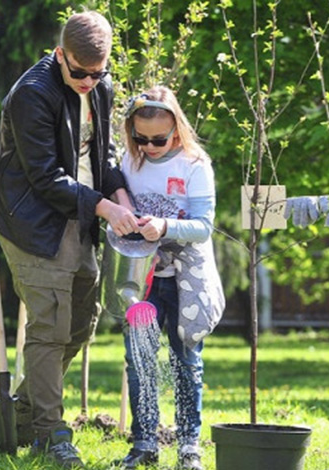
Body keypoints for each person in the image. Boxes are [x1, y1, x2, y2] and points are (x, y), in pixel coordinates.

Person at [0, 11, 138, 469]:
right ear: (60, 55)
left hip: (83, 216)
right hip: (34, 222)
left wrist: (120, 195)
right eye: (80, 72)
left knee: (80, 322)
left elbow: (104, 151)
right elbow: (47, 178)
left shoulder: (100, 86)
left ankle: (22, 413)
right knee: (50, 325)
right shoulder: (32, 94)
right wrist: (108, 208)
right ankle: (51, 433)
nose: (90, 81)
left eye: (99, 72)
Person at [114, 86, 224, 470]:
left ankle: (189, 443)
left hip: (184, 281)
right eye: (140, 139)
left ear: (176, 129)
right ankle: (144, 442)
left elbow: (204, 227)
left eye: (158, 139)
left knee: (185, 360)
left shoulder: (194, 166)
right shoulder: (131, 163)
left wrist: (164, 225)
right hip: (142, 280)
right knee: (139, 359)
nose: (149, 146)